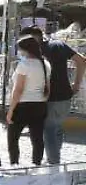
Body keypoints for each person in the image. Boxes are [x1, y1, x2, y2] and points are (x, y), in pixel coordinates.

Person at [21, 26, 86, 164]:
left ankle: (53, 164)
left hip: (47, 99)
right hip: (65, 97)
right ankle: (54, 158)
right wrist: (76, 84)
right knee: (56, 128)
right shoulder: (59, 44)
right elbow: (81, 60)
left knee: (49, 131)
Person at [6, 35, 50, 166]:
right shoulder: (45, 64)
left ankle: (14, 164)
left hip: (22, 105)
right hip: (39, 105)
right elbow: (48, 88)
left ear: (25, 49)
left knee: (13, 138)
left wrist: (11, 110)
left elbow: (18, 89)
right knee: (37, 138)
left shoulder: (24, 64)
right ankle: (36, 163)